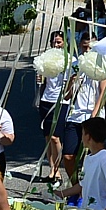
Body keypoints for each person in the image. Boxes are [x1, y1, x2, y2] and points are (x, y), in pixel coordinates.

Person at [58, 34, 106, 182]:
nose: (87, 50)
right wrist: (72, 82)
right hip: (75, 115)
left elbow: (103, 93)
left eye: (90, 47)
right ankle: (76, 186)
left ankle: (91, 185)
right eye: (84, 47)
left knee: (92, 156)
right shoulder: (75, 65)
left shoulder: (101, 64)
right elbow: (66, 96)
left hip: (93, 115)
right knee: (68, 155)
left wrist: (94, 114)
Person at [36, 31, 70, 179]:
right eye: (54, 42)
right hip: (46, 99)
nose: (56, 45)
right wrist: (40, 79)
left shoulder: (70, 59)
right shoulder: (45, 58)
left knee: (56, 137)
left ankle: (57, 169)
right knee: (48, 137)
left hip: (61, 101)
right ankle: (52, 169)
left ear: (65, 43)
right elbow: (42, 81)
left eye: (59, 42)